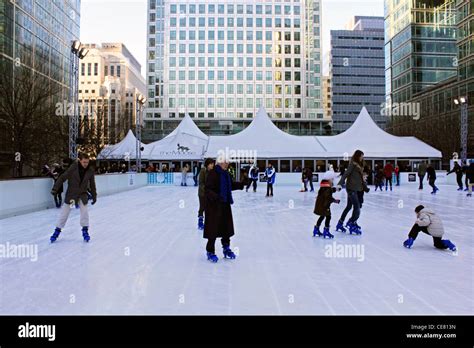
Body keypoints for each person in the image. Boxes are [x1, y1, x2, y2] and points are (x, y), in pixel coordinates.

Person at [49, 153, 97, 243]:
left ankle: (85, 230)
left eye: (87, 162)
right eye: (84, 162)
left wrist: (94, 196)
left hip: (82, 195)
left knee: (84, 212)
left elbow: (92, 184)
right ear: (80, 160)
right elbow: (62, 177)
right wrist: (55, 188)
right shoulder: (73, 168)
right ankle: (57, 231)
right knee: (65, 213)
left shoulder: (90, 170)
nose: (86, 164)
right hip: (72, 196)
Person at [203, 158, 244, 262]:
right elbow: (207, 189)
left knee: (226, 228)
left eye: (228, 162)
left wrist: (241, 184)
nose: (228, 163)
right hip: (214, 207)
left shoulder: (226, 174)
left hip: (225, 205)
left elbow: (230, 185)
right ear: (220, 162)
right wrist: (216, 197)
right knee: (213, 230)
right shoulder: (213, 173)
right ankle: (210, 251)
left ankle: (226, 248)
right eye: (226, 162)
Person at [335, 150, 370, 235]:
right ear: (357, 156)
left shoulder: (360, 166)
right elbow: (346, 174)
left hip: (357, 189)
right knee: (357, 206)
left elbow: (361, 178)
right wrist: (340, 183)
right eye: (361, 156)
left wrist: (364, 187)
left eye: (363, 156)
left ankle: (341, 223)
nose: (362, 158)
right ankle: (351, 223)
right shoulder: (353, 164)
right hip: (351, 189)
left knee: (349, 206)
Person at [313, 171, 340, 239]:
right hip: (325, 205)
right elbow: (328, 197)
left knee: (322, 216)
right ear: (329, 179)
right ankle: (326, 231)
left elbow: (329, 190)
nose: (332, 181)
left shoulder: (324, 186)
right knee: (328, 217)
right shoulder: (327, 188)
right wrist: (335, 200)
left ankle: (316, 229)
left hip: (321, 204)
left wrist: (335, 189)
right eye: (332, 179)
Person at [197, 159, 215, 230]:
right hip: (202, 193)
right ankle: (200, 223)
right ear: (207, 164)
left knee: (209, 208)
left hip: (210, 193)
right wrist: (206, 190)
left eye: (213, 164)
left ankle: (208, 223)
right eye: (211, 164)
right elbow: (201, 183)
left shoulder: (213, 172)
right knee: (202, 207)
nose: (212, 165)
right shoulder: (203, 171)